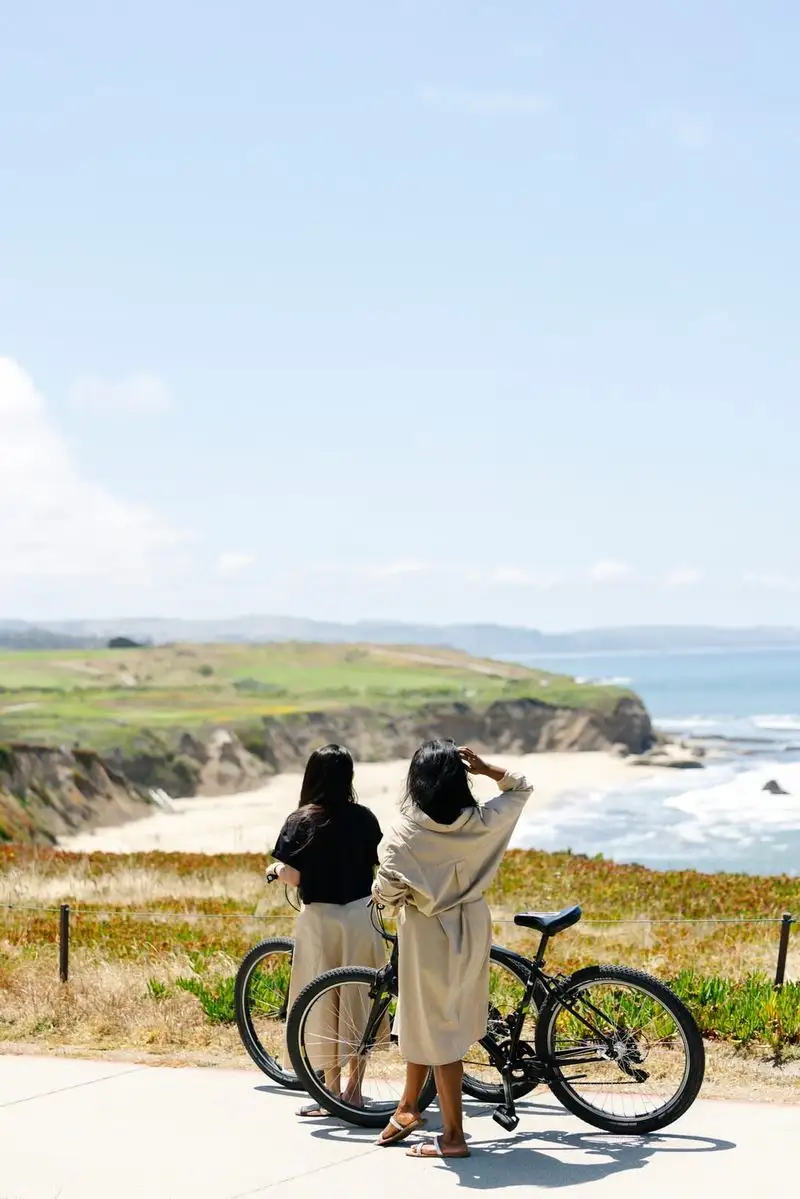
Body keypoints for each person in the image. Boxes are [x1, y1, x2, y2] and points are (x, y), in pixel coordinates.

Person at [371, 741, 533, 1160]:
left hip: (428, 934)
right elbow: (521, 788)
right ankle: (408, 1107)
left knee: (436, 1027)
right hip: (473, 924)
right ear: (461, 778)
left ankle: (454, 1137)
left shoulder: (405, 835)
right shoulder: (479, 822)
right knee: (429, 1019)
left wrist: (386, 895)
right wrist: (487, 769)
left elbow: (386, 891)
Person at [268, 743, 385, 1117]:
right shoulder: (365, 818)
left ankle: (330, 1091)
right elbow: (371, 864)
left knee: (322, 1002)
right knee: (359, 1001)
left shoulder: (301, 820)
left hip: (321, 920)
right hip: (361, 916)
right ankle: (356, 1090)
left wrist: (275, 872)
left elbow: (296, 874)